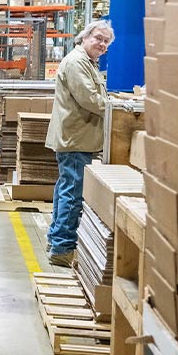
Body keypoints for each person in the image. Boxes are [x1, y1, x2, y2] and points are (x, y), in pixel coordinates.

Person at [45, 20, 112, 267]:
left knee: (66, 190)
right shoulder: (76, 62)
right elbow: (89, 100)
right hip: (75, 139)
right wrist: (119, 108)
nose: (102, 44)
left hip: (79, 138)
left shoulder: (88, 63)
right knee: (72, 194)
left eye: (106, 41)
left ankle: (56, 241)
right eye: (98, 38)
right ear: (84, 37)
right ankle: (62, 248)